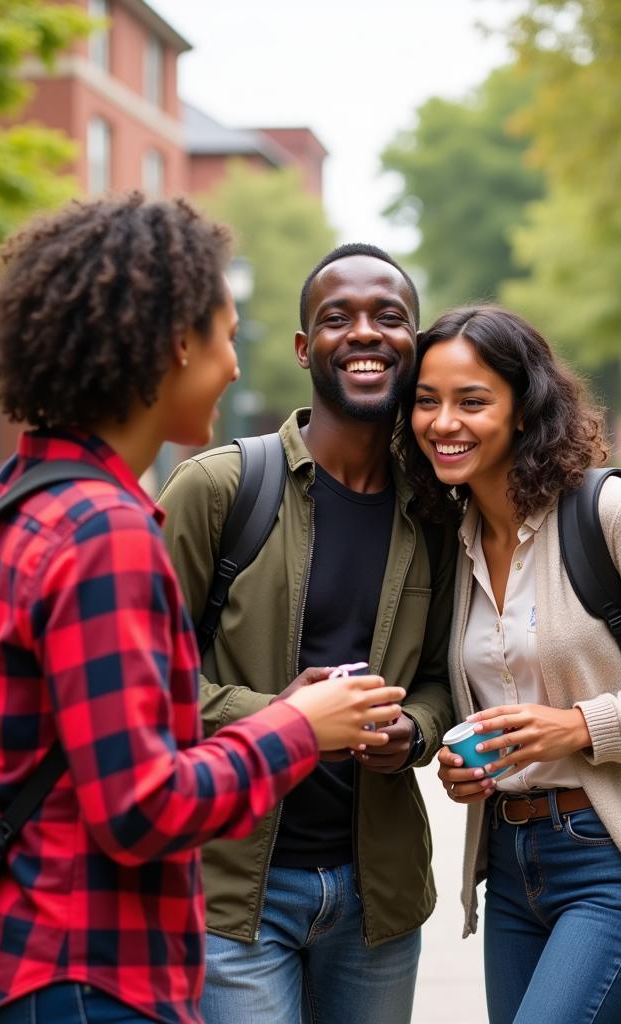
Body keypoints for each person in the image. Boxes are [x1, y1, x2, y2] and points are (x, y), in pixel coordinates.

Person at [0, 196, 406, 1024]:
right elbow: (142, 809)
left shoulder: (19, 500)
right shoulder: (103, 532)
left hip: (30, 958)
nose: (233, 365)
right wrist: (300, 726)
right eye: (227, 336)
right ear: (178, 343)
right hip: (89, 975)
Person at [398, 305, 621, 1024]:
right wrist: (466, 767)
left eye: (472, 400)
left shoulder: (608, 513)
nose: (443, 421)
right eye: (427, 401)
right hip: (511, 871)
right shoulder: (450, 543)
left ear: (524, 409)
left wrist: (582, 725)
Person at [156, 243, 456, 1023]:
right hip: (233, 901)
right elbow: (145, 686)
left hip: (377, 899)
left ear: (414, 346)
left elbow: (443, 676)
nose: (364, 332)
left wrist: (413, 733)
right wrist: (283, 719)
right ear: (302, 348)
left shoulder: (436, 512)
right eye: (337, 318)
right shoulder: (221, 487)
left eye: (389, 318)